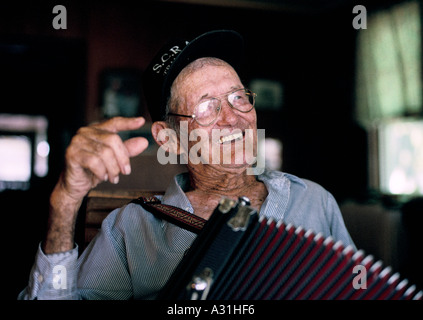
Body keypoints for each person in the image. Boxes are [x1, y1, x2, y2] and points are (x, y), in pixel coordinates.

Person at [18, 30, 355, 300]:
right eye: (208, 107)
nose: (233, 118)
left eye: (238, 98)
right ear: (169, 139)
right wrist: (64, 202)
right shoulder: (132, 228)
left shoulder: (315, 201)